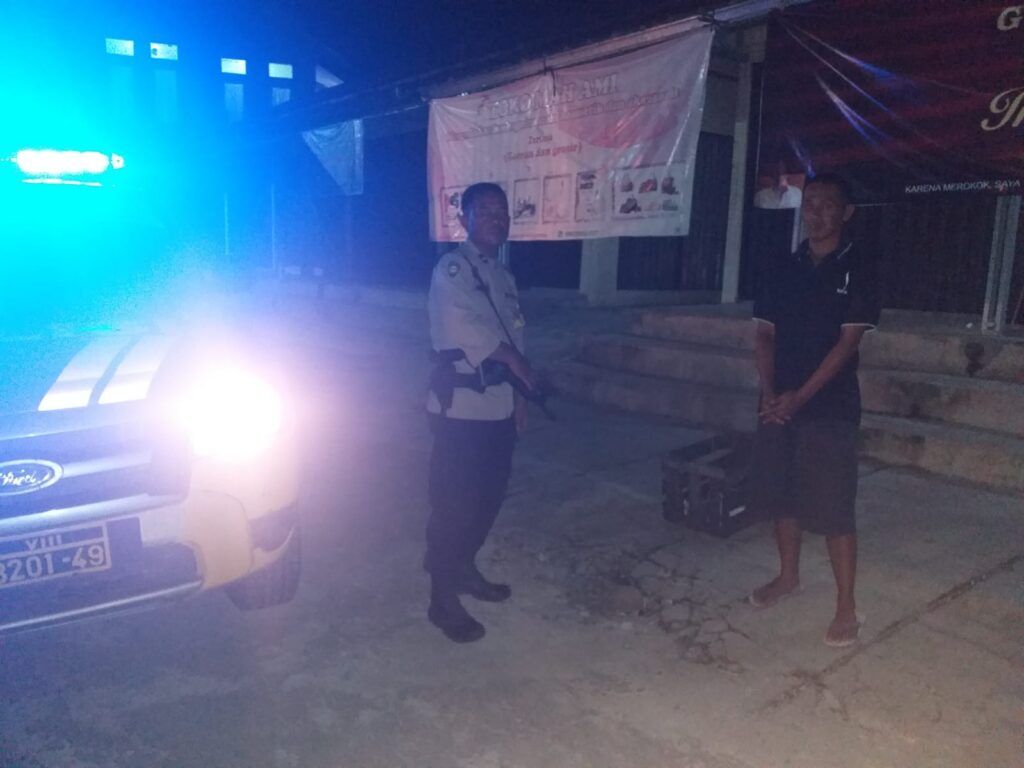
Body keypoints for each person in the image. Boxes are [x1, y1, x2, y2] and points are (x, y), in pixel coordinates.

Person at [747, 172, 880, 648]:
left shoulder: (859, 267)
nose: (817, 212)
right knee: (782, 494)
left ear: (846, 213)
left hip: (829, 406)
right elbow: (765, 334)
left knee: (834, 505)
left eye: (828, 205)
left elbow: (847, 343)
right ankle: (788, 577)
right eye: (811, 203)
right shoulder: (783, 265)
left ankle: (847, 606)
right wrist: (769, 392)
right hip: (779, 402)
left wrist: (800, 396)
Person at [424, 182, 534, 643]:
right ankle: (441, 599)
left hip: (499, 407)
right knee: (454, 506)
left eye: (501, 211)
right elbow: (465, 328)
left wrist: (522, 397)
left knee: (488, 500)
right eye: (485, 210)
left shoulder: (503, 276)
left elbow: (517, 337)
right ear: (464, 219)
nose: (495, 217)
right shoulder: (452, 269)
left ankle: (465, 568)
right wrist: (512, 361)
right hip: (461, 410)